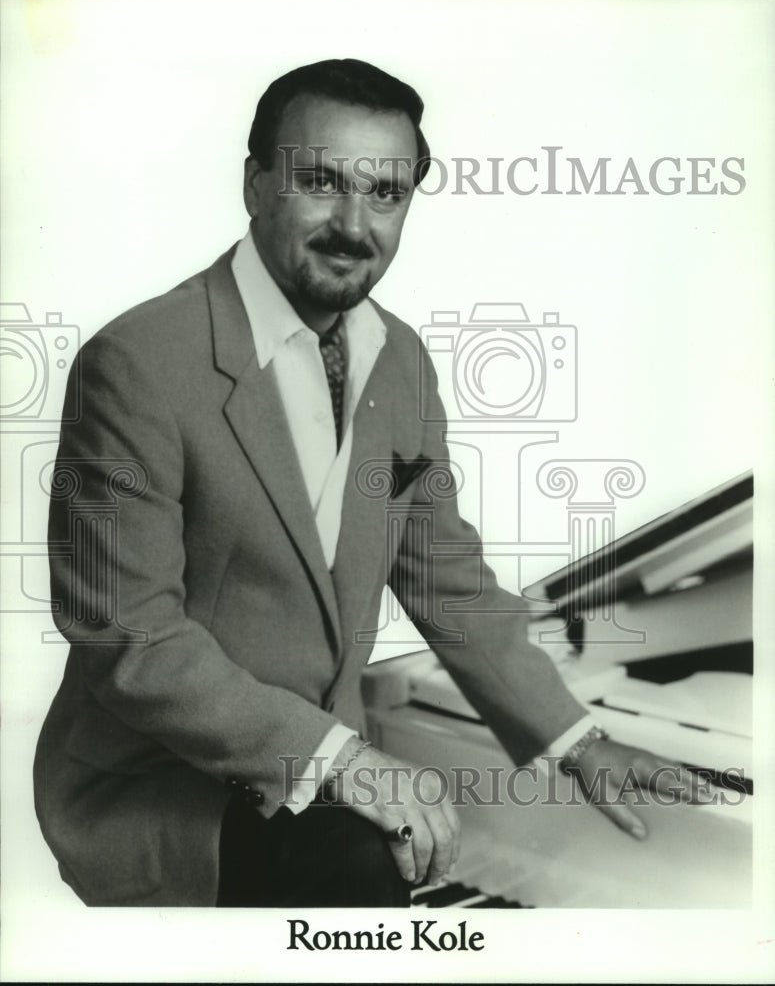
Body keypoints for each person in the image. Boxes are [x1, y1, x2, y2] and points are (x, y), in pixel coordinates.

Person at [33, 58, 704, 908]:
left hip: (326, 773)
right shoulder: (135, 363)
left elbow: (443, 578)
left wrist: (576, 741)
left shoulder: (404, 363)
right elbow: (126, 635)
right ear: (255, 185)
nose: (354, 224)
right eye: (321, 182)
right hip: (161, 791)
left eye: (384, 193)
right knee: (362, 871)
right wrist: (342, 760)